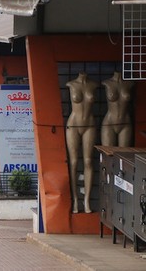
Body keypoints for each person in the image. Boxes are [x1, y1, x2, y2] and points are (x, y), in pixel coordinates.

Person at [65, 72, 98, 214]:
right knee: (73, 162)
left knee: (88, 161)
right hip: (73, 124)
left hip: (89, 125)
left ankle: (87, 201)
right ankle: (75, 200)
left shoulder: (94, 85)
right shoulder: (71, 84)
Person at [101, 71, 135, 147]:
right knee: (108, 154)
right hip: (109, 121)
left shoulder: (129, 83)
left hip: (125, 121)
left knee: (124, 155)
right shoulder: (107, 83)